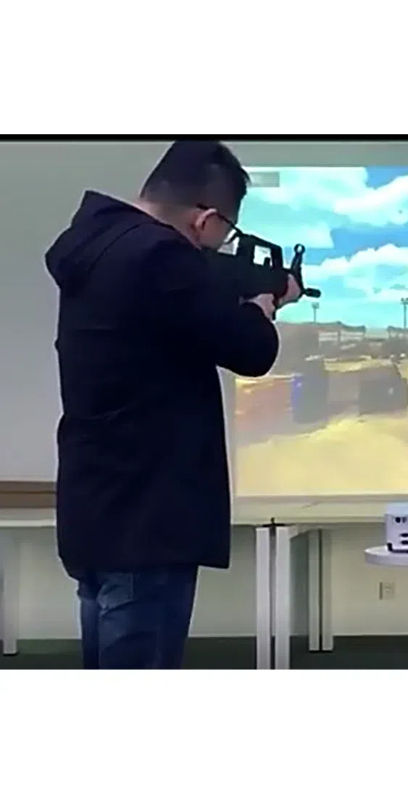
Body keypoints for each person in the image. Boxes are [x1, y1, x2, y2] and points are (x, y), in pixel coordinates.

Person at [45, 140, 301, 669]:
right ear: (205, 220)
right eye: (225, 231)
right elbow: (251, 351)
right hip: (148, 516)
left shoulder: (98, 245)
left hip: (99, 507)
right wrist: (262, 306)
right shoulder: (159, 257)